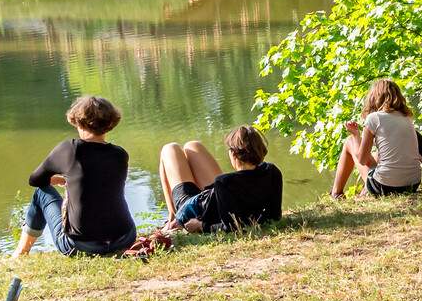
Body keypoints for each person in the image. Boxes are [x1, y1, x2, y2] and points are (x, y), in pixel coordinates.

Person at [14, 95, 136, 257]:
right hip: (124, 239)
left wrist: (55, 179)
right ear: (110, 123)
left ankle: (21, 252)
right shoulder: (120, 154)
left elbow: (35, 180)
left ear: (78, 122)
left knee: (41, 193)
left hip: (81, 246)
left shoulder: (70, 149)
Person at [160, 125, 283, 232]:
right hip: (214, 198)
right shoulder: (272, 171)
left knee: (169, 148)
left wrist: (201, 226)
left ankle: (172, 216)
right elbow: (275, 216)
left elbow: (230, 227)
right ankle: (171, 217)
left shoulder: (224, 182)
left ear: (234, 154)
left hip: (193, 210)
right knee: (192, 145)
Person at [332, 78, 422, 198]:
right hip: (412, 184)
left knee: (350, 141)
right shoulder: (406, 118)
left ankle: (336, 193)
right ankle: (362, 191)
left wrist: (356, 135)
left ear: (374, 98)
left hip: (385, 186)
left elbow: (362, 160)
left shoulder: (374, 118)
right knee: (377, 155)